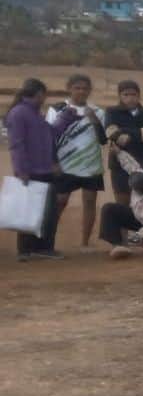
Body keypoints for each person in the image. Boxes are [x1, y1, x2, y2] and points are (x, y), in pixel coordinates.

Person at [46, 74, 108, 250]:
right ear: (69, 88)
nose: (81, 91)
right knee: (59, 202)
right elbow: (48, 138)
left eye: (85, 88)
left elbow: (104, 140)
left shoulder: (98, 112)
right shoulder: (57, 109)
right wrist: (53, 162)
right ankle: (48, 243)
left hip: (91, 165)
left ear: (90, 90)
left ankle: (85, 243)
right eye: (77, 87)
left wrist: (94, 120)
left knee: (89, 203)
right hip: (65, 164)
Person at [5, 78, 64, 261]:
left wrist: (67, 117)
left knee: (43, 210)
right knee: (33, 210)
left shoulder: (34, 113)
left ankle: (35, 248)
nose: (44, 98)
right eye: (43, 94)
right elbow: (17, 144)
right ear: (39, 93)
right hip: (32, 171)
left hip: (43, 169)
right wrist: (21, 169)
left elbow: (50, 133)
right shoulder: (19, 113)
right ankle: (32, 249)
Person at [104, 79, 143, 202]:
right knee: (122, 202)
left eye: (133, 94)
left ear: (139, 95)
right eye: (126, 94)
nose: (130, 98)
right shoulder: (111, 112)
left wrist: (124, 132)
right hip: (119, 165)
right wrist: (140, 132)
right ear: (119, 96)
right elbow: (112, 133)